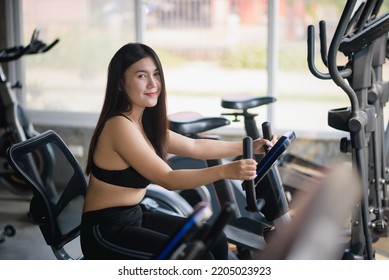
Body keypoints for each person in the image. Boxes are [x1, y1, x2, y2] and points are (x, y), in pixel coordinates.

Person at [80, 42, 276, 260]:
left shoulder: (141, 121)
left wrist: (250, 146)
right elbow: (168, 179)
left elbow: (194, 146)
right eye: (141, 76)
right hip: (106, 232)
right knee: (198, 258)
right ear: (119, 83)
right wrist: (226, 170)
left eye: (156, 74)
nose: (153, 83)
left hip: (136, 214)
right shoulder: (119, 126)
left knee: (216, 240)